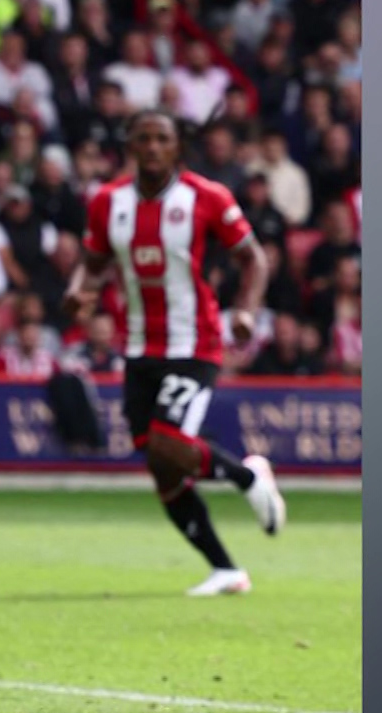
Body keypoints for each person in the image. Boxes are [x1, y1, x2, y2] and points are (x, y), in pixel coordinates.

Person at [62, 111, 288, 598]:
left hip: (194, 343)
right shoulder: (108, 202)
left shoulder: (208, 197)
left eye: (161, 138)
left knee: (168, 443)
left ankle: (249, 478)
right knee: (162, 465)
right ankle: (226, 569)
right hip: (139, 347)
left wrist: (245, 312)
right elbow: (94, 263)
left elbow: (254, 258)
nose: (151, 147)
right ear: (129, 145)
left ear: (176, 148)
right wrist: (79, 290)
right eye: (142, 138)